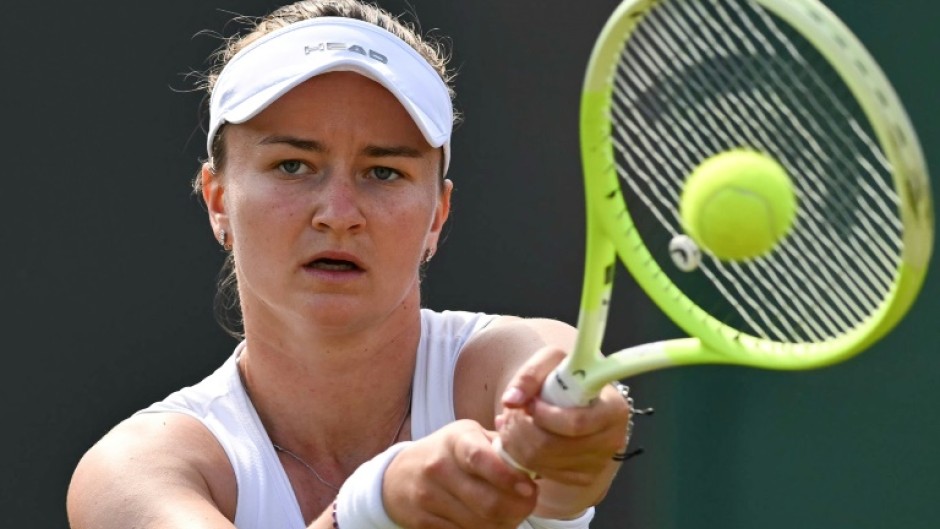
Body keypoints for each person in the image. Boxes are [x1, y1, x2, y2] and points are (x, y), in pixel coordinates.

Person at [66, 1, 634, 528]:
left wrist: (574, 432)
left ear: (437, 214)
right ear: (218, 201)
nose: (339, 214)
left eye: (384, 172)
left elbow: (560, 398)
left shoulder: (501, 366)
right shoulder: (139, 468)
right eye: (292, 165)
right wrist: (375, 506)